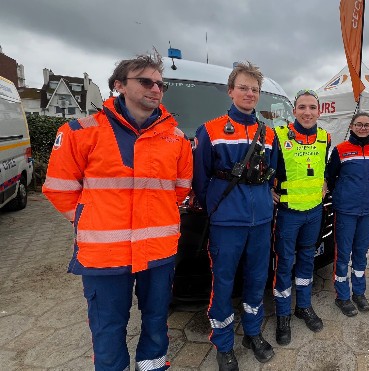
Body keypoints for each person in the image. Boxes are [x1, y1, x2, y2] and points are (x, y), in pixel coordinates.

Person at [42, 53, 193, 371]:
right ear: (119, 85)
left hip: (158, 251)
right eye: (146, 81)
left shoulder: (175, 138)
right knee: (108, 328)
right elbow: (59, 188)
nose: (155, 88)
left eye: (160, 84)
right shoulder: (80, 132)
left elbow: (180, 189)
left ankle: (152, 365)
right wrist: (89, 219)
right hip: (105, 255)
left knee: (155, 321)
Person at [192, 61, 278, 369]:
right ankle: (224, 343)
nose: (249, 93)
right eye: (243, 87)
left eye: (255, 89)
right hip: (227, 222)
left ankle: (252, 333)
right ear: (231, 91)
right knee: (224, 283)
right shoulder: (210, 130)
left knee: (257, 280)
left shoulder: (268, 134)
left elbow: (273, 173)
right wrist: (219, 206)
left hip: (261, 222)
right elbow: (200, 180)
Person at [271, 89, 330, 345]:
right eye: (302, 107)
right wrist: (266, 189)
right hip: (288, 213)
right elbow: (265, 168)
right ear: (293, 111)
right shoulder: (278, 135)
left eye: (312, 107)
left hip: (314, 212)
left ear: (319, 111)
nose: (307, 112)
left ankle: (303, 306)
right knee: (284, 264)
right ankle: (283, 314)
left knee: (307, 261)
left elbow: (324, 168)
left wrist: (326, 180)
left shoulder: (325, 137)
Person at [326, 112, 369, 317]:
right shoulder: (341, 150)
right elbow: (330, 177)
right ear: (351, 126)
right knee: (342, 254)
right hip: (345, 211)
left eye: (366, 125)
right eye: (359, 124)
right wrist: (343, 195)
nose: (362, 128)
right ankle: (342, 296)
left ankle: (359, 292)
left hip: (367, 211)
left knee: (361, 252)